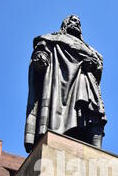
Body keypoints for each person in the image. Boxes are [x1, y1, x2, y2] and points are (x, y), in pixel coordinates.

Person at [24, 15, 107, 152]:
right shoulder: (54, 38)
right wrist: (41, 57)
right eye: (73, 20)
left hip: (86, 83)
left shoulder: (91, 50)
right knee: (71, 117)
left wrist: (94, 65)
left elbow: (99, 68)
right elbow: (42, 50)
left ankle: (97, 154)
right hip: (61, 86)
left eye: (79, 22)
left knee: (94, 115)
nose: (77, 23)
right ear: (65, 24)